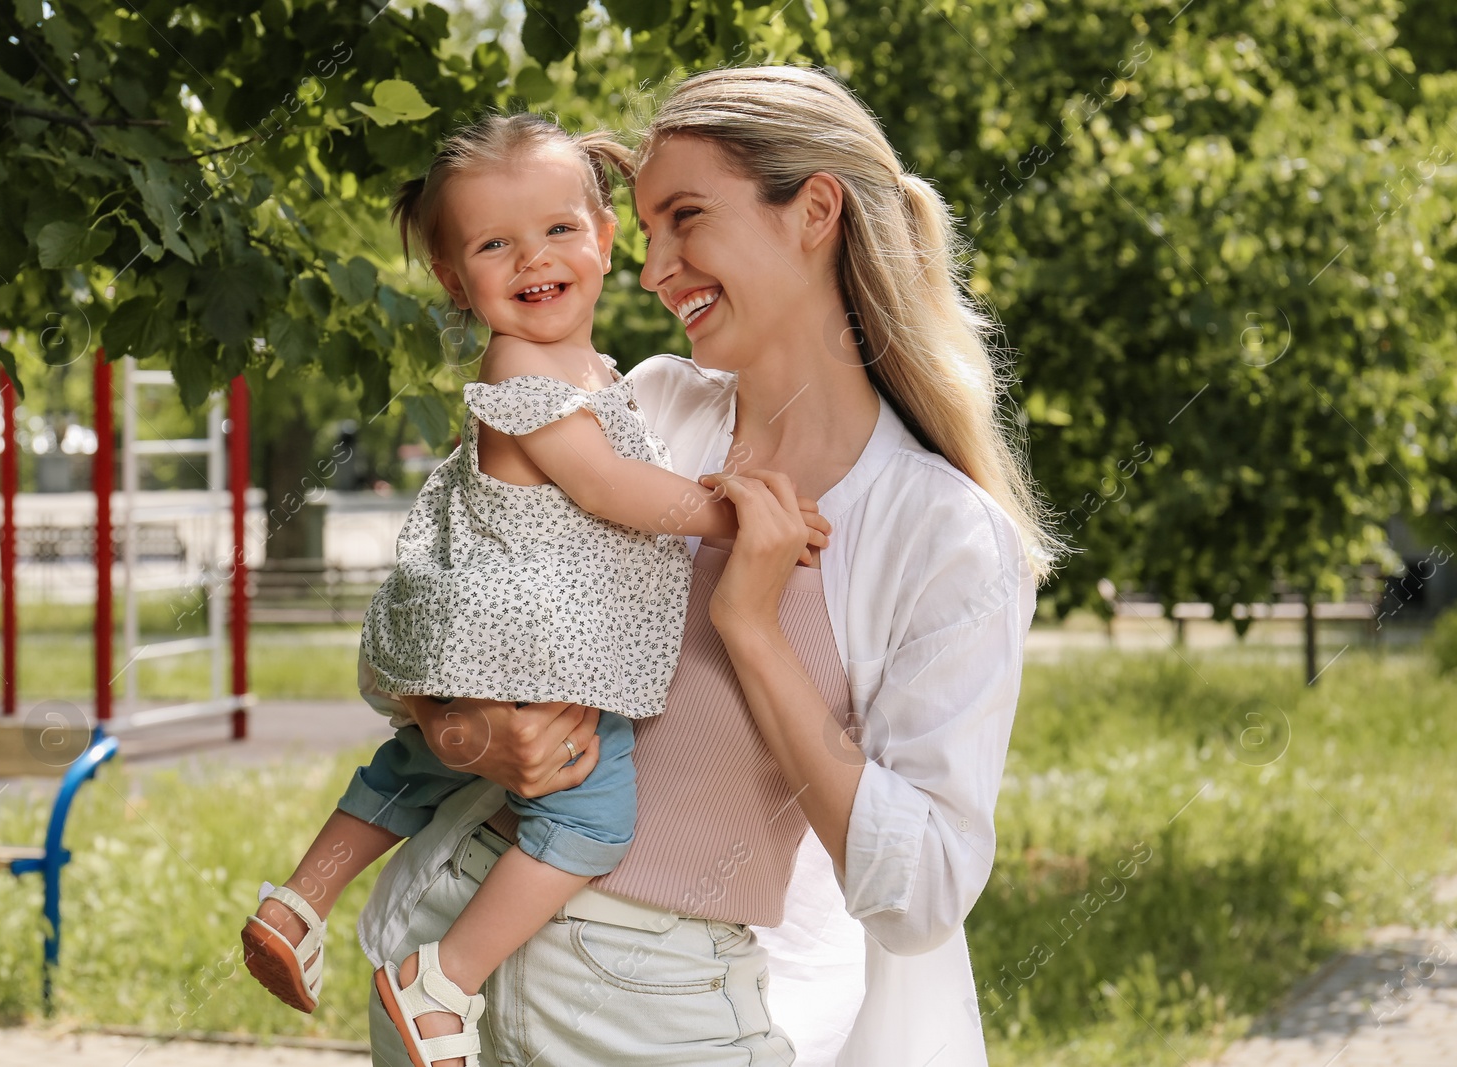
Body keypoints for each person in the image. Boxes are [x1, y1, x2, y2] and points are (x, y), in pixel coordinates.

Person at [358, 65, 1059, 1066]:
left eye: (686, 219)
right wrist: (461, 730)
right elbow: (417, 620)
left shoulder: (940, 531)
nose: (652, 270)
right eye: (645, 233)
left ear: (813, 210)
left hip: (670, 1015)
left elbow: (925, 889)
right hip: (441, 967)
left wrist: (751, 627)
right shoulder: (646, 411)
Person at [239, 112, 828, 1067]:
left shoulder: (595, 371)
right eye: (493, 244)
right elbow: (608, 488)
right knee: (590, 818)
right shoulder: (520, 365)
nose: (533, 258)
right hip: (537, 650)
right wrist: (736, 513)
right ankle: (445, 979)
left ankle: (297, 900)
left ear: (603, 237)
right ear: (454, 279)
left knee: (420, 766)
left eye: (557, 229)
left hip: (488, 644)